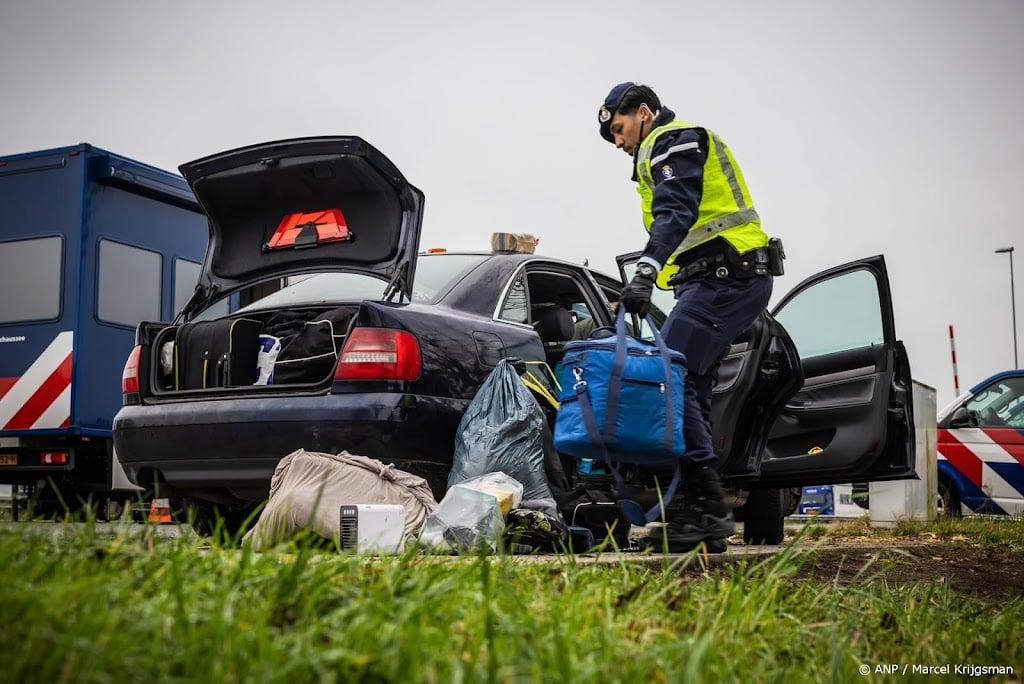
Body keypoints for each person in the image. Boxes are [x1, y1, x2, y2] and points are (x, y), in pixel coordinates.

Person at [597, 81, 777, 552]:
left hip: (729, 274)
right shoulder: (656, 153)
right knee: (687, 385)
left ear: (643, 112)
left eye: (619, 129)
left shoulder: (675, 139)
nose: (619, 143)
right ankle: (701, 517)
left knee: (667, 372)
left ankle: (708, 511)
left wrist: (645, 271)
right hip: (709, 281)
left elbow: (677, 212)